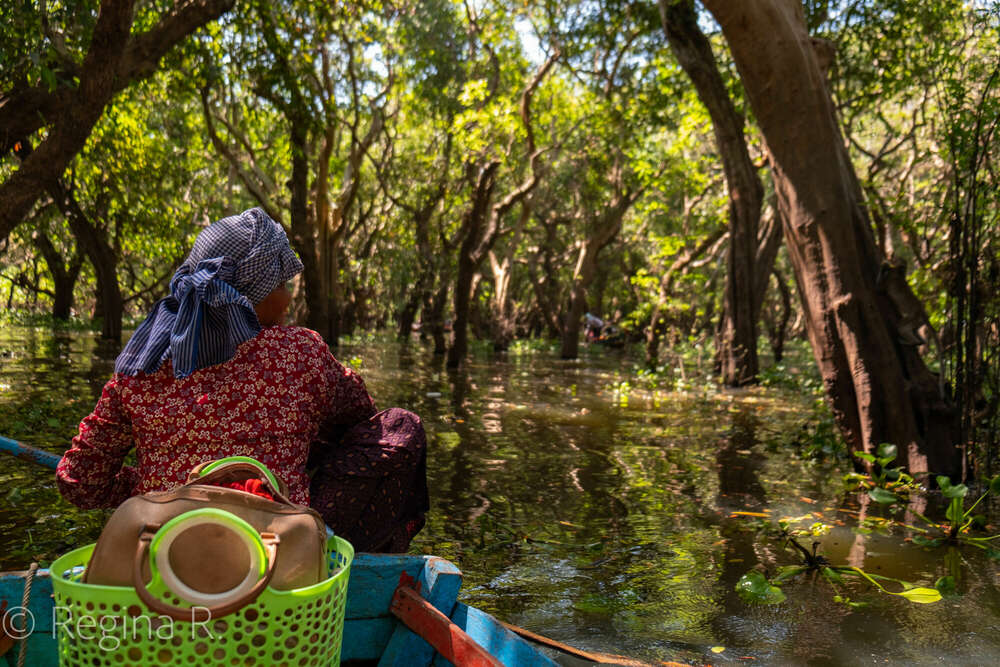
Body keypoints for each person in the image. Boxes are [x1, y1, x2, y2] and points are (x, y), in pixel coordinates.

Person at [56, 208, 428, 552]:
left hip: (165, 551)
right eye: (281, 285)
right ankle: (360, 562)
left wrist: (144, 485)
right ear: (252, 291)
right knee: (401, 427)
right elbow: (363, 418)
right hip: (280, 553)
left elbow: (80, 483)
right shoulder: (302, 351)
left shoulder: (141, 364)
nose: (287, 299)